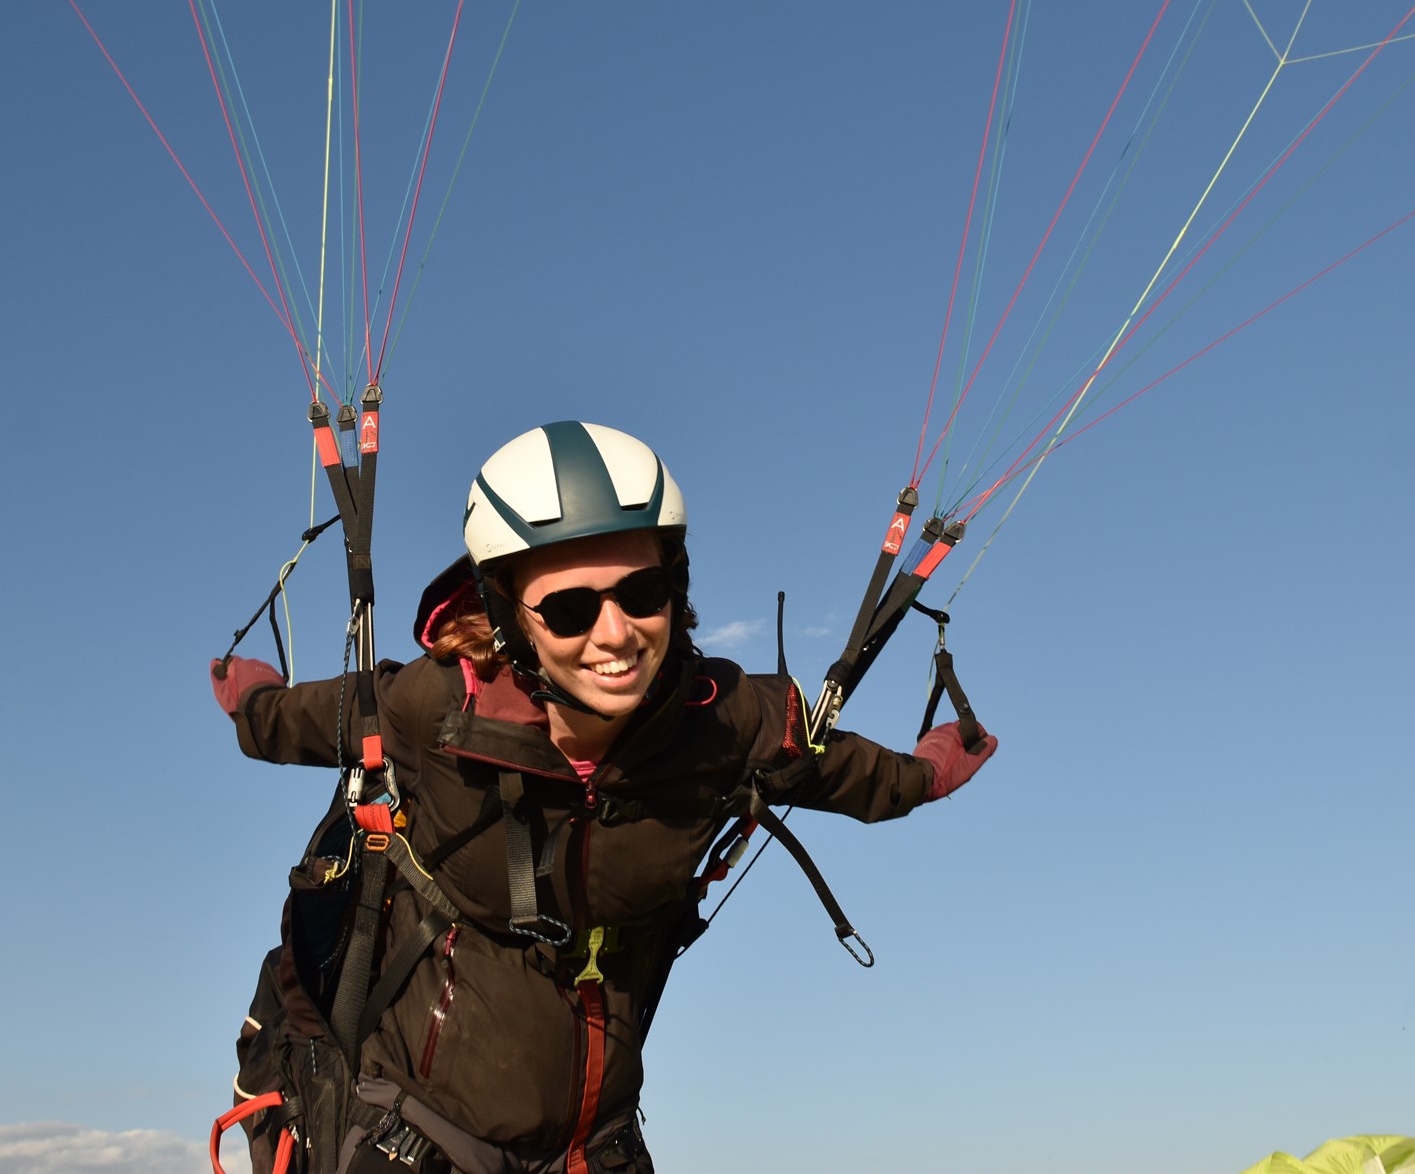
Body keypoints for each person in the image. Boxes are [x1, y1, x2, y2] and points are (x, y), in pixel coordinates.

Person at [211, 421, 996, 1174]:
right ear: (511, 617)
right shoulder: (436, 710)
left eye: (642, 592)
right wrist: (245, 686)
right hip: (422, 1132)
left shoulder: (726, 724)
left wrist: (934, 765)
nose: (616, 633)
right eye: (570, 608)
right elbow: (283, 720)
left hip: (595, 1144)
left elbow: (862, 776)